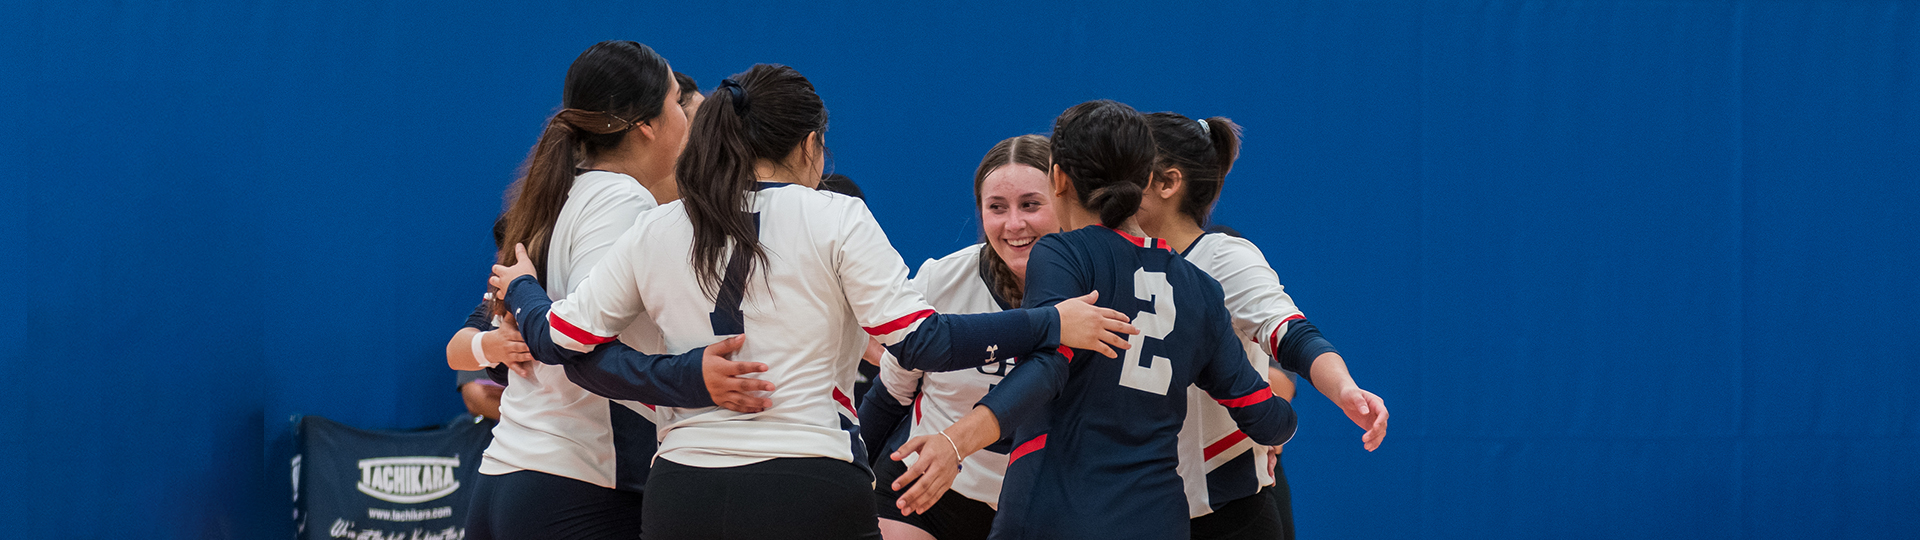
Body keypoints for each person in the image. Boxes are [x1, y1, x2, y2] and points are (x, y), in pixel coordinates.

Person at [488, 64, 1138, 540]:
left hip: (681, 491)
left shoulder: (661, 225)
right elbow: (922, 343)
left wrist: (522, 288)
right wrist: (1051, 321)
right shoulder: (836, 215)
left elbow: (559, 342)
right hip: (807, 486)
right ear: (809, 147)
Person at [886, 100, 1296, 540]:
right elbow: (1266, 416)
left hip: (1052, 510)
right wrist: (1275, 430)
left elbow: (1046, 369)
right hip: (1157, 518)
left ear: (1058, 177)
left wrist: (955, 441)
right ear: (1144, 181)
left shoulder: (1064, 254)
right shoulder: (1200, 288)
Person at [444, 40, 701, 540]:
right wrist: (696, 380)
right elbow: (577, 341)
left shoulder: (564, 192)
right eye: (676, 102)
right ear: (645, 124)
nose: (688, 120)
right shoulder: (620, 198)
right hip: (577, 485)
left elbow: (529, 341)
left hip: (514, 480)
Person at [1135, 112, 1390, 540]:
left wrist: (1344, 388)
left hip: (1224, 509)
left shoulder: (1220, 257)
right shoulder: (1110, 258)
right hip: (1139, 507)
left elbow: (1289, 331)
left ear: (1166, 183)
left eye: (1125, 172)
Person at [859, 134, 1056, 540]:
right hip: (927, 493)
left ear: (1065, 200)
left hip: (1047, 507)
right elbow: (891, 395)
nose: (1014, 224)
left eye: (1031, 205)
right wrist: (846, 475)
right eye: (996, 208)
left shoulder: (1098, 288)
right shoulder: (942, 281)